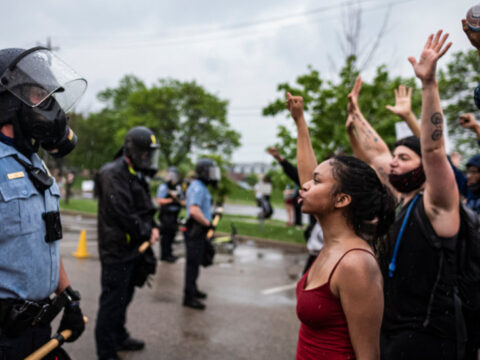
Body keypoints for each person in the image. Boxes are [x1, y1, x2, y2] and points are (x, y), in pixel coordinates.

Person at [347, 31, 462, 358]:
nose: (393, 163)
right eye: (394, 158)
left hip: (430, 340)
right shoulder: (402, 197)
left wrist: (429, 85)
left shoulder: (438, 205)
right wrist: (356, 114)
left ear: (424, 167)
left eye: (404, 158)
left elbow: (434, 149)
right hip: (394, 331)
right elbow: (376, 153)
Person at [286, 93, 396, 359]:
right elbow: (305, 176)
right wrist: (300, 122)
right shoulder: (332, 241)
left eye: (317, 181)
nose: (305, 185)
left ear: (342, 200)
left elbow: (368, 355)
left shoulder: (355, 264)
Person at [0, 46, 87, 359]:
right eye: (40, 94)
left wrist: (68, 294)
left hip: (39, 328)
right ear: (9, 100)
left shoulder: (34, 162)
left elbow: (43, 238)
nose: (50, 106)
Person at [95, 126, 160, 360]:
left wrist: (153, 227)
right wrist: (146, 231)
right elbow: (122, 212)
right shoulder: (112, 173)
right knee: (112, 303)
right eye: (145, 153)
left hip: (133, 249)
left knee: (125, 297)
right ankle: (106, 352)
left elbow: (143, 208)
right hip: (116, 251)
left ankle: (119, 336)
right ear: (133, 151)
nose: (148, 158)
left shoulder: (134, 172)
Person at [183, 158, 220, 310]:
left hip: (199, 229)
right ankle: (188, 297)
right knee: (192, 264)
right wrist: (208, 223)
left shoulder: (201, 186)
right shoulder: (198, 187)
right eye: (210, 172)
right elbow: (194, 210)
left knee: (196, 262)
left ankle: (193, 290)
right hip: (195, 229)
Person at [157, 166, 185, 262]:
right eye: (170, 174)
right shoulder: (164, 187)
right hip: (166, 215)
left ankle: (169, 253)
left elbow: (182, 201)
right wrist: (171, 200)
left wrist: (179, 201)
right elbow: (160, 201)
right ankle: (164, 255)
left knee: (172, 234)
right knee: (166, 235)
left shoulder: (178, 187)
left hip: (174, 215)